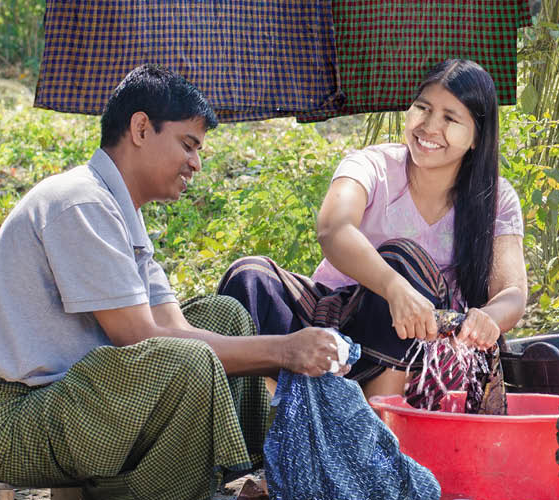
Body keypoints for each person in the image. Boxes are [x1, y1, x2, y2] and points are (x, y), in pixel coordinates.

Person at [0, 64, 345, 500]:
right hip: (7, 422)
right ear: (141, 128)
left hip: (64, 404)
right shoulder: (80, 201)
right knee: (188, 359)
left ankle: (224, 470)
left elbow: (174, 329)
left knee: (226, 316)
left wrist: (289, 358)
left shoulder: (123, 213)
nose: (196, 163)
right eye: (188, 145)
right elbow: (141, 338)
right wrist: (284, 350)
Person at [218, 59, 527, 401]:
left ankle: (380, 436)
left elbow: (511, 292)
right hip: (334, 326)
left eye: (450, 119)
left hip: (423, 349)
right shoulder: (371, 165)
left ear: (476, 138)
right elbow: (333, 229)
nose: (428, 127)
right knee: (249, 276)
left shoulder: (496, 198)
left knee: (405, 262)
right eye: (422, 108)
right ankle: (267, 421)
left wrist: (488, 318)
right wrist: (392, 287)